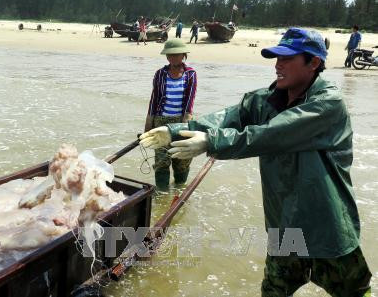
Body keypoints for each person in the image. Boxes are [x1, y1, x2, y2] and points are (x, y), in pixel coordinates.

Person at [140, 28, 371, 296]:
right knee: (273, 291)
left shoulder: (327, 104)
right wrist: (176, 130)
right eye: (276, 58)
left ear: (314, 63)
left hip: (328, 231)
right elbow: (228, 117)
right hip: (284, 230)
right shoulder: (265, 100)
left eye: (287, 58)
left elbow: (272, 134)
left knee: (355, 292)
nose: (277, 65)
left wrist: (212, 142)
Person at [144, 39, 197, 189]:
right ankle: (162, 195)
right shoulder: (160, 74)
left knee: (182, 160)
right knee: (161, 162)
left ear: (183, 55)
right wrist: (148, 126)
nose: (172, 58)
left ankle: (179, 192)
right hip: (161, 122)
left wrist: (186, 126)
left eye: (176, 55)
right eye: (169, 55)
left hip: (181, 123)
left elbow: (189, 103)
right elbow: (154, 100)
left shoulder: (191, 75)